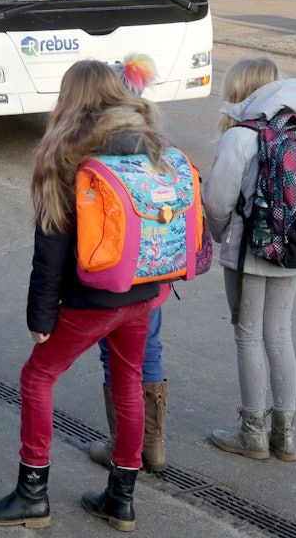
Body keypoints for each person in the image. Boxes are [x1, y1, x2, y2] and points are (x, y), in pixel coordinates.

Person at [0, 59, 167, 533]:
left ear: (70, 96)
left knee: (37, 377)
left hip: (92, 295)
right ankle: (121, 499)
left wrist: (40, 315)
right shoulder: (147, 138)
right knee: (128, 379)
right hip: (143, 287)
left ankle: (32, 494)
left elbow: (51, 244)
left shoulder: (66, 151)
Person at [203, 58, 296, 462]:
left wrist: (219, 238)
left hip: (250, 250)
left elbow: (217, 203)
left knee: (248, 335)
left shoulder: (242, 136)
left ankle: (253, 432)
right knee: (280, 333)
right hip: (295, 248)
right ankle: (284, 436)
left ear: (241, 90)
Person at [88, 54, 171, 473]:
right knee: (150, 350)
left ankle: (123, 444)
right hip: (158, 274)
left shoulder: (101, 148)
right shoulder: (160, 144)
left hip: (115, 277)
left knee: (115, 357)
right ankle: (153, 447)